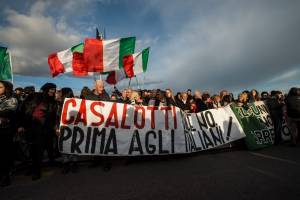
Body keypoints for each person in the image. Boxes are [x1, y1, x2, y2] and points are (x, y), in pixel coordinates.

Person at [18, 83, 57, 180]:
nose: (53, 91)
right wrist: (21, 124)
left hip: (43, 129)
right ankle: (32, 167)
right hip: (30, 127)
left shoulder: (53, 102)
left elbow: (53, 117)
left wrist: (52, 128)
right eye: (51, 89)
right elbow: (23, 110)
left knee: (38, 150)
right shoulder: (34, 96)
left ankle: (37, 171)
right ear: (45, 89)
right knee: (31, 149)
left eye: (54, 89)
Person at [55, 87, 79, 174]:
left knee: (73, 144)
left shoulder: (75, 103)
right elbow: (56, 117)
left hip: (72, 127)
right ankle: (66, 163)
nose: (60, 94)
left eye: (61, 92)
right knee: (63, 145)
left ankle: (74, 163)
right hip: (62, 127)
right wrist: (56, 127)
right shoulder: (58, 104)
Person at [0, 81, 18, 187]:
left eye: (0, 87)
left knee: (3, 155)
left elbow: (8, 112)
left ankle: (5, 176)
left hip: (4, 131)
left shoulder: (11, 100)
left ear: (6, 88)